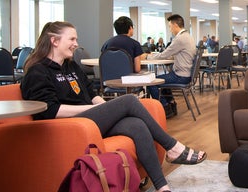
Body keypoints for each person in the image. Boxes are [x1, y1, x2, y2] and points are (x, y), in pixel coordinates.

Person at [20, 21, 206, 192]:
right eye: (72, 39)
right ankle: (173, 148)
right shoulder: (38, 71)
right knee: (130, 100)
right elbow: (50, 110)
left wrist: (107, 109)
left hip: (88, 119)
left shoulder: (71, 67)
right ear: (54, 41)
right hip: (70, 125)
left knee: (136, 125)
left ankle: (162, 187)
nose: (76, 43)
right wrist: (94, 110)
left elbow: (92, 95)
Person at [146, 14, 196, 118]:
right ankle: (171, 104)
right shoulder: (189, 37)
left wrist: (147, 57)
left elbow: (164, 54)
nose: (170, 29)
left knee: (151, 82)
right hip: (186, 75)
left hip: (180, 76)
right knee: (164, 78)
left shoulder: (180, 39)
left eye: (170, 26)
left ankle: (165, 108)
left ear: (175, 25)